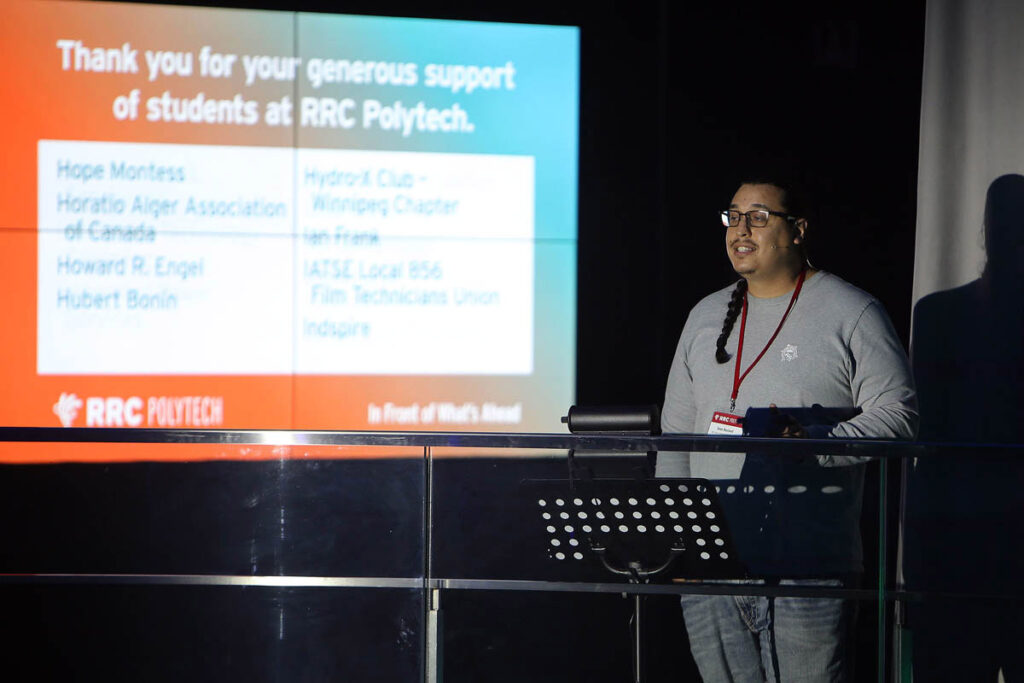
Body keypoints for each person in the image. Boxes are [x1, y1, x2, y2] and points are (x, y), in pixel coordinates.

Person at [657, 177, 918, 682]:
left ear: (798, 230)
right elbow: (675, 439)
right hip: (713, 567)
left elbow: (900, 415)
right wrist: (679, 540)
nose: (740, 230)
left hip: (809, 568)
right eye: (732, 217)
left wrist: (815, 445)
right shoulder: (706, 315)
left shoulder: (851, 310)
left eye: (758, 216)